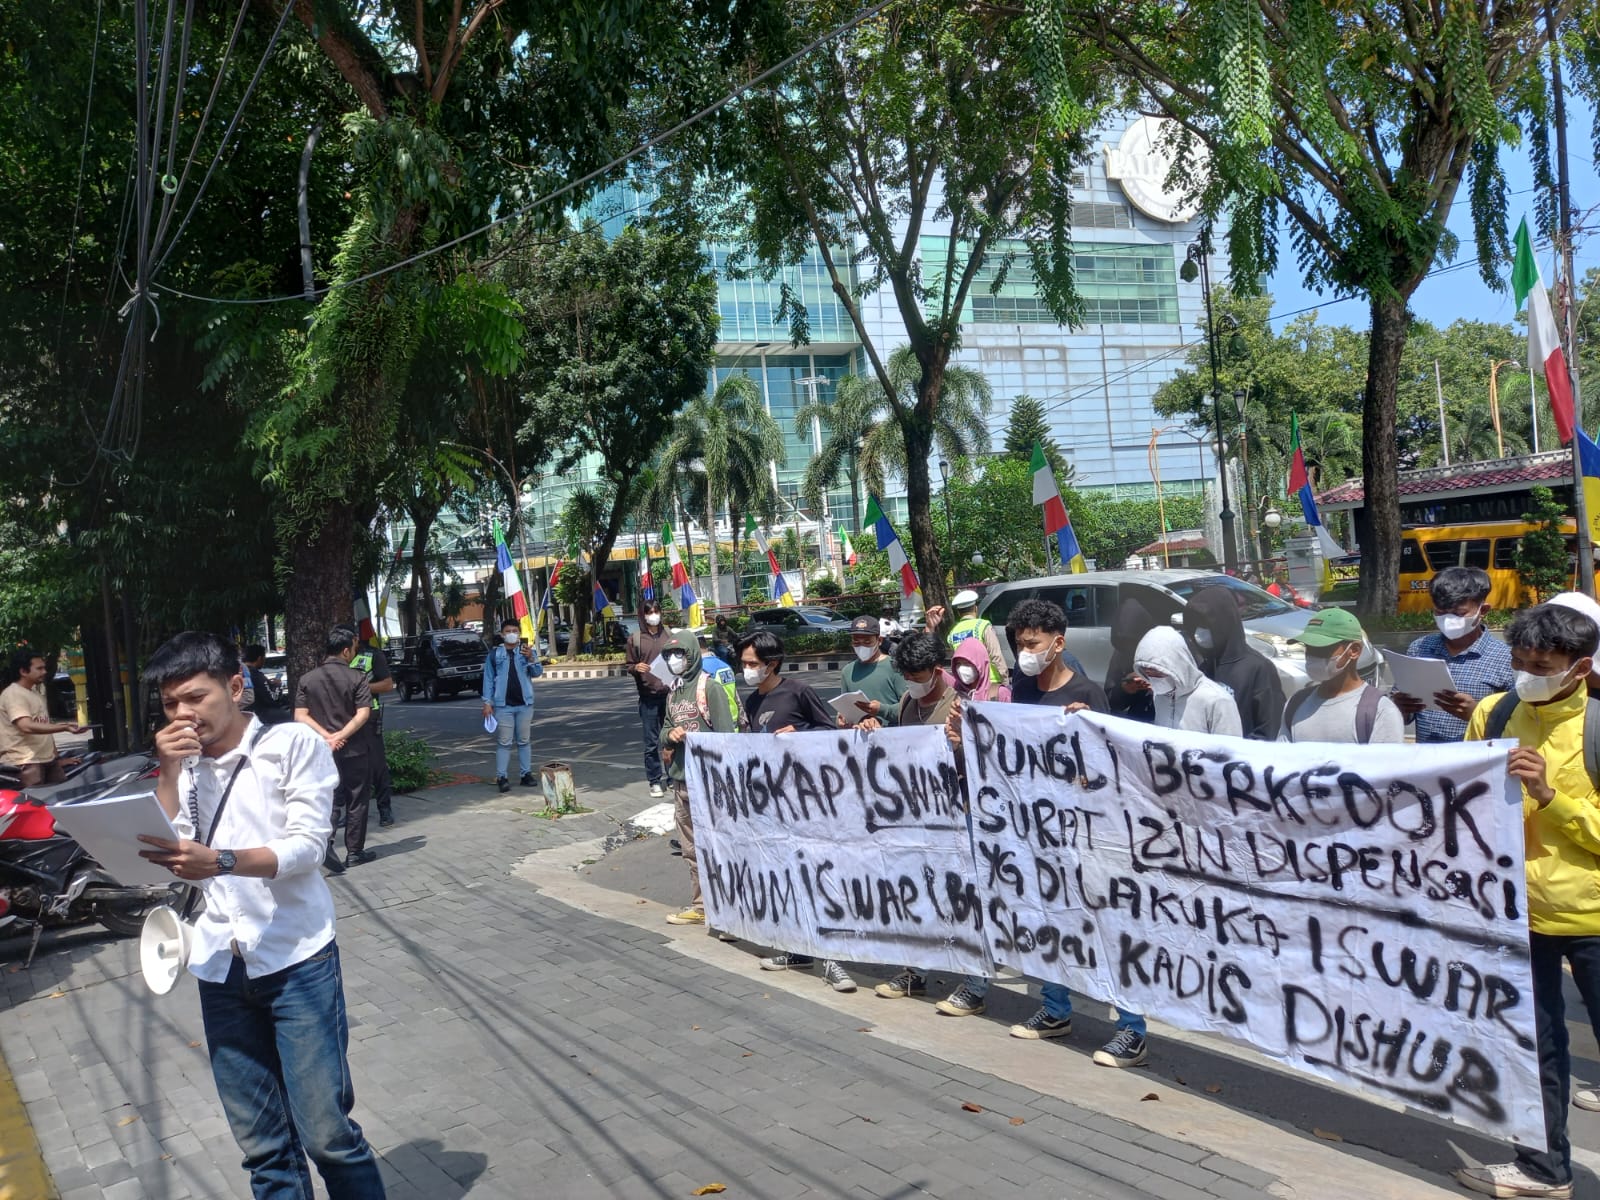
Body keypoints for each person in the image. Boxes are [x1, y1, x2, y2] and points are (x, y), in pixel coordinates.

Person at [135, 632, 385, 1200]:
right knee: (263, 1148)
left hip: (297, 961)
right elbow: (167, 846)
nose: (183, 714)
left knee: (327, 1136)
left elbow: (307, 848)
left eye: (195, 697)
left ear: (235, 686)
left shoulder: (291, 744)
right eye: (171, 703)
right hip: (220, 966)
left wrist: (221, 860)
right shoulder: (185, 766)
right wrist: (168, 771)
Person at [944, 599, 1149, 1066]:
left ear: (1059, 643)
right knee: (1044, 921)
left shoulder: (1086, 695)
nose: (1025, 652)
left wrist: (1084, 737)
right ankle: (1056, 1009)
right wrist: (965, 740)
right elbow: (1003, 759)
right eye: (1019, 643)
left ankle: (1132, 1029)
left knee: (1102, 928)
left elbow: (1105, 771)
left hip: (1080, 837)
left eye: (1033, 643)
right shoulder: (1018, 690)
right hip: (1033, 835)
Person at [1455, 604, 1600, 1200]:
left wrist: (1548, 795)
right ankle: (1544, 1169)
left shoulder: (1595, 727)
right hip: (1515, 918)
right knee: (1533, 1047)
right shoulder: (1494, 713)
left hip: (1591, 919)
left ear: (1580, 668)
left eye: (1541, 667)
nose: (1526, 676)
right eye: (1519, 663)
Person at [738, 631, 858, 991]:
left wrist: (800, 734)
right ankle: (798, 950)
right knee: (788, 879)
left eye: (752, 664)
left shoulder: (799, 692)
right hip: (774, 807)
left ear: (772, 663)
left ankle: (834, 960)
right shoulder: (752, 701)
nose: (746, 669)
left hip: (809, 804)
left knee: (820, 880)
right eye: (744, 663)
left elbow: (830, 734)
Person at [872, 632, 961, 1000]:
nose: (909, 680)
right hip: (915, 817)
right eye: (905, 674)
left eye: (916, 674)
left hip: (953, 817)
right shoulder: (909, 702)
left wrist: (961, 746)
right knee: (919, 895)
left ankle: (974, 983)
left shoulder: (958, 706)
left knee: (960, 898)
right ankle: (916, 972)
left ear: (936, 670)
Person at [660, 631, 737, 926]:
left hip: (708, 782)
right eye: (669, 655)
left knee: (718, 847)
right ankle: (701, 905)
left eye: (678, 654)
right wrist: (671, 734)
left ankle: (728, 910)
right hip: (681, 780)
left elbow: (726, 738)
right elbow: (663, 730)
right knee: (691, 850)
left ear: (692, 654)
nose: (673, 660)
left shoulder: (710, 688)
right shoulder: (674, 692)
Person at [1389, 566, 1513, 744]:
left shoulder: (1505, 658)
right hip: (1427, 756)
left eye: (1459, 613)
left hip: (1478, 758)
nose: (1448, 620)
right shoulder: (1419, 648)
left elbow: (1518, 723)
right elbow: (1400, 714)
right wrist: (1399, 707)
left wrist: (1477, 714)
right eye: (1440, 613)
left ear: (1483, 611)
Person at [294, 626, 375, 870]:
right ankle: (354, 852)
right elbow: (363, 713)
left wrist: (327, 736)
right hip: (355, 748)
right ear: (346, 651)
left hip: (322, 750)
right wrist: (342, 734)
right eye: (354, 648)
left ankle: (326, 844)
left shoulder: (307, 679)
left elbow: (300, 716)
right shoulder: (357, 677)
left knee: (329, 798)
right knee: (357, 798)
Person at [1280, 609, 1404, 744]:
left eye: (1322, 649)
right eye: (1309, 649)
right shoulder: (1295, 704)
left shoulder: (1381, 711)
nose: (1313, 656)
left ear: (1354, 650)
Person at [1181, 585, 1286, 739]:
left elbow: (1269, 728)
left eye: (1205, 625)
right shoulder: (1203, 666)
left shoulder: (1258, 668)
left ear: (1224, 622)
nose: (1198, 632)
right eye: (1195, 625)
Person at [1133, 626, 1242, 736]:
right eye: (1147, 673)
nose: (1154, 679)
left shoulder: (1218, 700)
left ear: (1176, 664)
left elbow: (1230, 745)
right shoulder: (1159, 695)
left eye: (1158, 672)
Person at [0, 649, 87, 787]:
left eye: (44, 668)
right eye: (39, 668)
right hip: (25, 762)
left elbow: (45, 727)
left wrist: (57, 758)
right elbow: (26, 726)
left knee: (60, 796)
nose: (44, 672)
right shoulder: (14, 694)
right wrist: (64, 727)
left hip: (47, 761)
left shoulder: (35, 692)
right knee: (34, 799)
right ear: (23, 671)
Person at [481, 619, 543, 794]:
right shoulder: (494, 655)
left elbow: (537, 672)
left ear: (519, 633)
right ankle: (502, 777)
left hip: (524, 704)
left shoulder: (527, 651)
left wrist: (531, 658)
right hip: (503, 706)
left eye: (515, 631)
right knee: (504, 742)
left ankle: (526, 775)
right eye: (508, 631)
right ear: (502, 634)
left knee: (524, 741)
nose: (511, 634)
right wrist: (487, 703)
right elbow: (488, 679)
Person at [624, 600, 671, 798]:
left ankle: (673, 777)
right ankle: (655, 780)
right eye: (649, 612)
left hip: (669, 694)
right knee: (651, 743)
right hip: (648, 697)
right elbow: (629, 665)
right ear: (643, 615)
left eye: (656, 611)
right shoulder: (635, 639)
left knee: (671, 738)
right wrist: (636, 667)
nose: (653, 615)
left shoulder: (668, 634)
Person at [349, 635, 397, 826]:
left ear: (355, 640)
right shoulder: (336, 658)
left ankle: (385, 809)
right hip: (343, 717)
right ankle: (351, 812)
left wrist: (361, 687)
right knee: (349, 768)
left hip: (369, 715)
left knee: (377, 765)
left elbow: (387, 684)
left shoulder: (372, 655)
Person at [926, 590, 1008, 684]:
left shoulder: (953, 632)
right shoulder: (983, 626)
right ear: (975, 609)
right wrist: (1004, 679)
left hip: (969, 683)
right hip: (990, 681)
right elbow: (996, 655)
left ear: (958, 613)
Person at [841, 614, 907, 727]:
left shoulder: (895, 666)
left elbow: (909, 706)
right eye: (856, 642)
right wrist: (843, 719)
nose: (861, 646)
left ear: (879, 640)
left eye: (867, 642)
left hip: (892, 734)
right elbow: (845, 708)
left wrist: (881, 709)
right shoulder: (847, 671)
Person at [1104, 594, 1161, 723]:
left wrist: (1158, 684)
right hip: (1139, 721)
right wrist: (1125, 689)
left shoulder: (1168, 651)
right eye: (1125, 644)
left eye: (1134, 643)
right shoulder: (1123, 652)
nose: (1132, 650)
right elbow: (1112, 701)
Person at [951, 637, 1010, 704]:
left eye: (967, 663)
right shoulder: (956, 695)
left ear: (980, 664)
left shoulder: (1000, 693)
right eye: (958, 664)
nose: (961, 668)